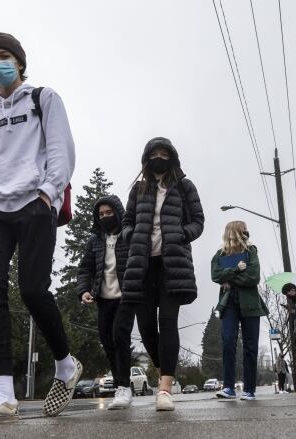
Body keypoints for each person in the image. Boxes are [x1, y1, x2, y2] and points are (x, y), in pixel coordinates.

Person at [0, 32, 79, 425]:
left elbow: (62, 149)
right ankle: (4, 395)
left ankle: (65, 365)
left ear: (20, 62)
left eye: (5, 55)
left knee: (31, 289)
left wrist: (48, 192)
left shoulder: (44, 100)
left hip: (33, 202)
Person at [120, 137, 204, 411]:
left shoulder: (184, 186)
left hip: (172, 264)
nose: (159, 157)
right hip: (142, 266)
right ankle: (163, 368)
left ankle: (164, 389)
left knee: (168, 321)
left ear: (172, 157)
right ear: (146, 158)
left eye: (164, 153)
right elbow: (126, 222)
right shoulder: (138, 189)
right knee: (145, 328)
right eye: (154, 153)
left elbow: (198, 221)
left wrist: (182, 234)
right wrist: (131, 235)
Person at [76, 195, 136, 409]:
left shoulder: (129, 236)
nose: (104, 217)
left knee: (120, 335)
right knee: (107, 340)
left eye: (108, 213)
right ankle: (121, 384)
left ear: (118, 213)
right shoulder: (95, 241)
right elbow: (85, 269)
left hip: (126, 297)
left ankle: (123, 388)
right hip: (103, 299)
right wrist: (84, 289)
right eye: (101, 214)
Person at [211, 221, 267, 401]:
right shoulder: (219, 254)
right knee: (228, 342)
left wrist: (229, 278)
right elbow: (215, 276)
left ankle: (249, 389)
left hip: (250, 303)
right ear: (234, 232)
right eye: (243, 229)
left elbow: (253, 277)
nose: (246, 232)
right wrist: (235, 271)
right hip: (229, 304)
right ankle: (228, 387)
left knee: (250, 346)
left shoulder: (251, 252)